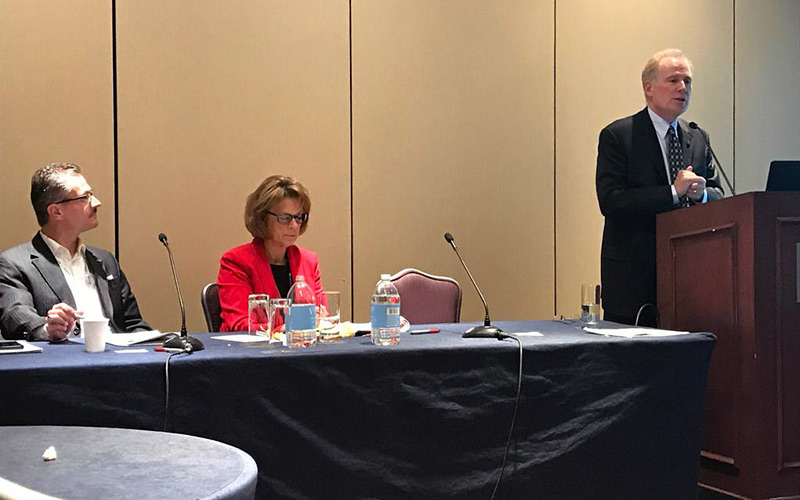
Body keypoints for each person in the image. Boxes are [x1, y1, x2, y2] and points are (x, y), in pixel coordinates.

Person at [595, 49, 724, 326]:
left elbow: (719, 193)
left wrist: (701, 194)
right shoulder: (619, 136)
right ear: (649, 88)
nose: (683, 88)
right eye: (674, 80)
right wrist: (673, 193)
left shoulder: (698, 136)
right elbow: (612, 201)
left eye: (687, 81)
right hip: (634, 282)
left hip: (691, 280)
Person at [0, 163, 150, 341]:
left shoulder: (105, 260)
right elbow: (15, 316)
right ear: (56, 211)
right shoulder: (14, 263)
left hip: (117, 364)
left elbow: (133, 324)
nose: (96, 203)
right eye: (85, 197)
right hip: (62, 365)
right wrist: (47, 328)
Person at [217, 175, 324, 332]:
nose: (294, 225)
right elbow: (240, 324)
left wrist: (319, 318)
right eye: (284, 218)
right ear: (263, 218)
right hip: (250, 353)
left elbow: (322, 316)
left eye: (298, 217)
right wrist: (291, 325)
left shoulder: (309, 261)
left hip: (303, 350)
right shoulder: (236, 261)